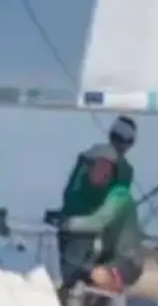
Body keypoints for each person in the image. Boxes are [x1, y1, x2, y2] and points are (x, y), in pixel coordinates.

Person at [45, 144, 145, 306]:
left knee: (98, 274)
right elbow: (74, 205)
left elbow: (98, 222)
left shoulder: (120, 196)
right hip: (104, 257)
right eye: (97, 166)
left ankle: (117, 300)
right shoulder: (97, 196)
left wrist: (67, 223)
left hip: (128, 261)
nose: (100, 172)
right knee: (80, 274)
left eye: (106, 167)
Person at [56, 115, 138, 279]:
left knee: (68, 280)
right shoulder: (118, 166)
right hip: (89, 233)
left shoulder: (88, 156)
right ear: (129, 142)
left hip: (67, 226)